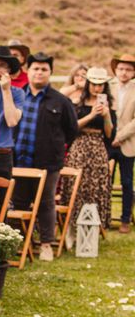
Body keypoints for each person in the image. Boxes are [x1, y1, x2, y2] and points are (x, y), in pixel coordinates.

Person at [13, 52, 78, 261]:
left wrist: (55, 148)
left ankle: (46, 244)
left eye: (44, 69)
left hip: (48, 163)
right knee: (19, 201)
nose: (39, 73)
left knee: (46, 203)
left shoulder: (60, 101)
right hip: (20, 161)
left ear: (50, 73)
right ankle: (21, 241)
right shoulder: (18, 95)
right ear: (28, 71)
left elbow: (71, 130)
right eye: (35, 68)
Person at [62, 67, 115, 236]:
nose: (97, 88)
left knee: (95, 187)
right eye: (93, 84)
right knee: (76, 187)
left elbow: (109, 134)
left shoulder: (109, 106)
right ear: (88, 84)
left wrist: (106, 116)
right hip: (79, 147)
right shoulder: (77, 103)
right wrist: (92, 115)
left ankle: (92, 228)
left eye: (100, 85)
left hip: (98, 148)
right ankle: (71, 226)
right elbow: (72, 128)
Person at [0, 46, 25, 220]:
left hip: (2, 156)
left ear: (8, 70)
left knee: (0, 207)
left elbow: (11, 120)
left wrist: (6, 90)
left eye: (1, 65)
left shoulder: (17, 93)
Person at [109, 54, 135, 233]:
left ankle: (125, 218)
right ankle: (105, 216)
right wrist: (111, 135)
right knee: (105, 181)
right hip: (108, 141)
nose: (124, 72)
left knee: (127, 181)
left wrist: (121, 136)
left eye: (128, 69)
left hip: (127, 143)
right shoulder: (107, 86)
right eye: (121, 69)